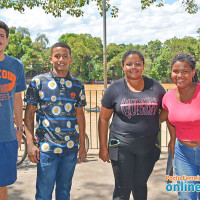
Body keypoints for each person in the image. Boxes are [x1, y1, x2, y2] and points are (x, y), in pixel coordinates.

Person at [98, 50, 166, 200]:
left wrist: (155, 120)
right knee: (123, 187)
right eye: (129, 64)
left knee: (140, 185)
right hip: (121, 146)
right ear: (123, 66)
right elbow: (103, 119)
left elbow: (167, 108)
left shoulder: (155, 86)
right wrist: (103, 147)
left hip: (148, 146)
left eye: (138, 64)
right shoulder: (115, 88)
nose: (133, 67)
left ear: (143, 66)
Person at [24, 42, 87, 200]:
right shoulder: (38, 82)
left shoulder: (77, 85)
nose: (61, 59)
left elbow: (80, 115)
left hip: (70, 149)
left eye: (65, 56)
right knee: (43, 194)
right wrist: (30, 144)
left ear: (70, 59)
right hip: (46, 150)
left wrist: (83, 146)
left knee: (64, 192)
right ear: (51, 58)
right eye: (57, 56)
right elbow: (29, 114)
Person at [161, 53, 200, 200]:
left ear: (193, 72)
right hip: (183, 154)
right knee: (186, 196)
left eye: (185, 71)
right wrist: (172, 137)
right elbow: (167, 118)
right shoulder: (168, 97)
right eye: (176, 71)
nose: (180, 75)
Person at [0, 21, 26, 200]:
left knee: (2, 184)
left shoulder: (16, 65)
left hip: (6, 135)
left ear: (7, 40)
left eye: (1, 36)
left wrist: (19, 128)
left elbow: (18, 99)